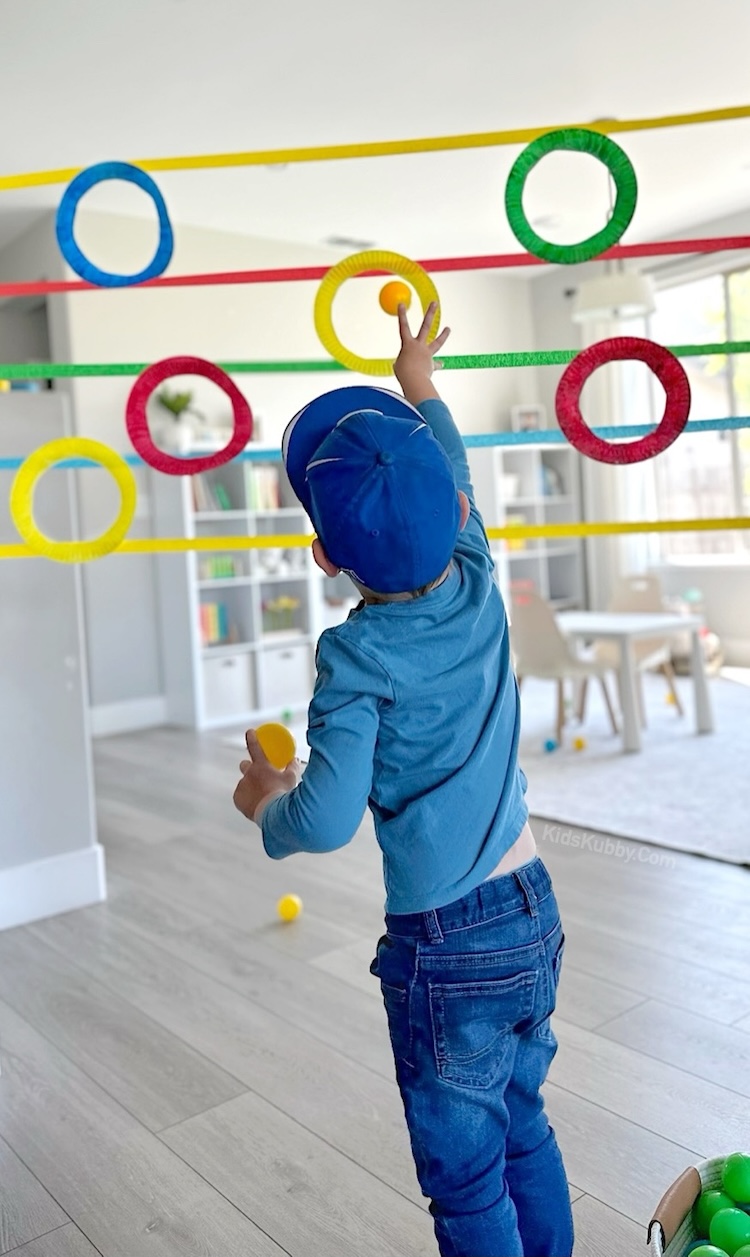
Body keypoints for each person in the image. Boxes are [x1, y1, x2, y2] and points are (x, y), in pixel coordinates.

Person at [233, 302, 573, 1257]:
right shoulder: (477, 568)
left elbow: (330, 814)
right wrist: (417, 376)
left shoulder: (354, 659)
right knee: (527, 1125)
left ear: (325, 556)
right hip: (533, 908)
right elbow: (450, 456)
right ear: (460, 512)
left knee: (467, 1188)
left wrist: (269, 802)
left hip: (448, 947)